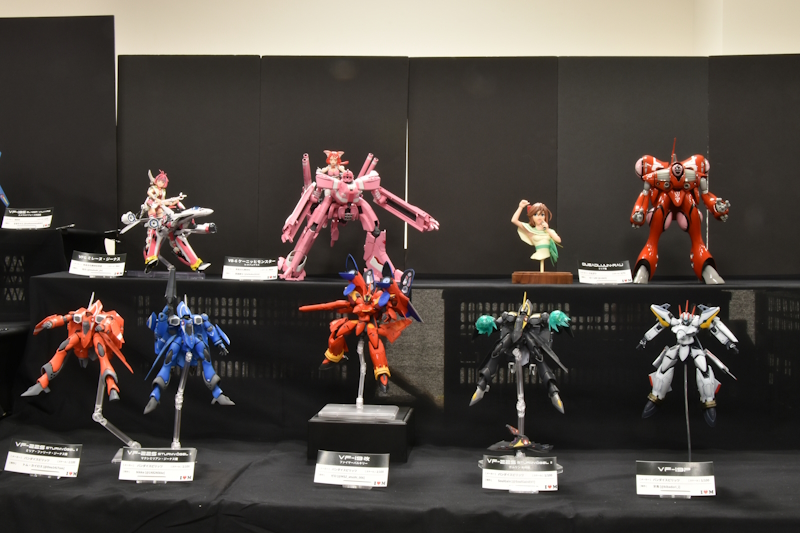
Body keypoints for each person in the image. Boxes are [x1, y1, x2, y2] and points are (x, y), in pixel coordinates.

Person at [512, 200, 561, 272]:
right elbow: (514, 220)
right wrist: (520, 207)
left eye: (542, 214)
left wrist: (547, 229)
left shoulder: (549, 231)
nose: (539, 217)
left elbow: (558, 240)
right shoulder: (530, 230)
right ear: (531, 216)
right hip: (538, 254)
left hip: (547, 253)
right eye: (535, 214)